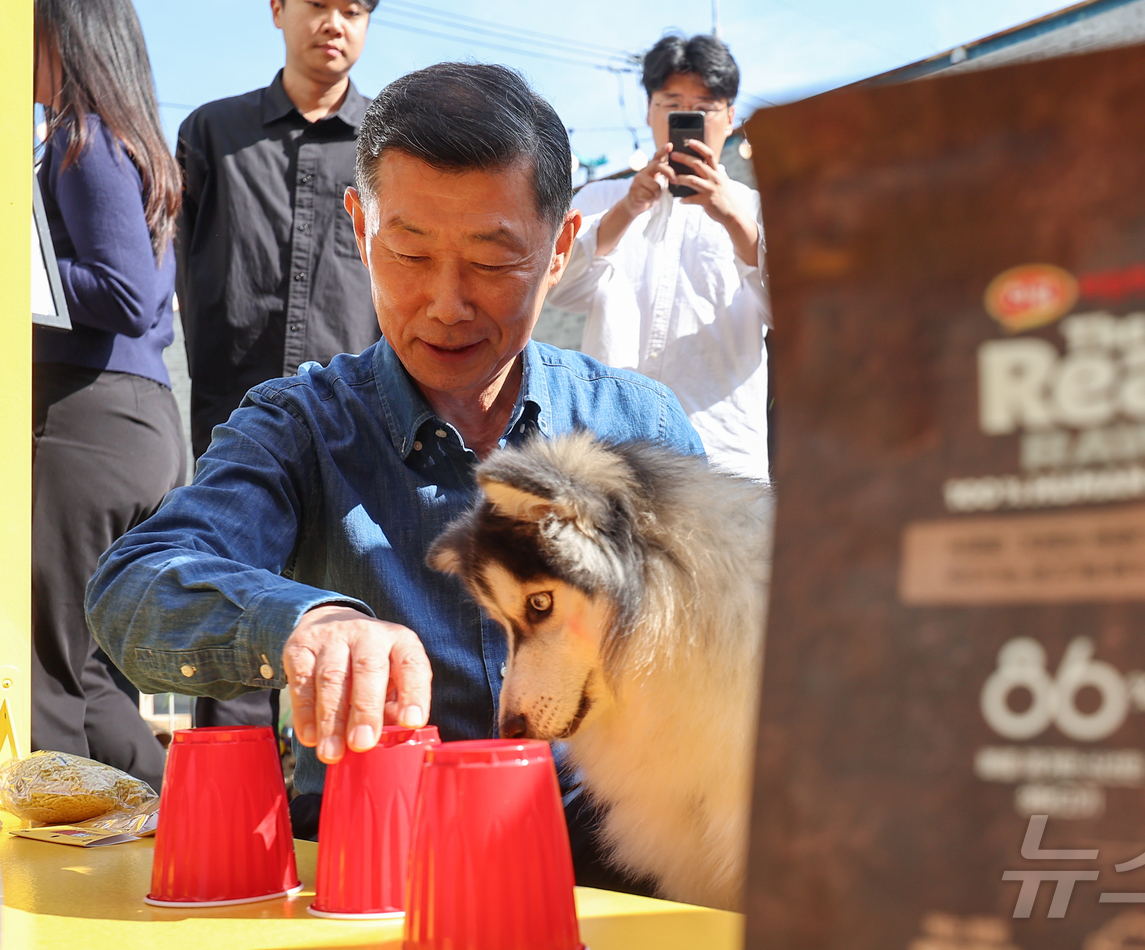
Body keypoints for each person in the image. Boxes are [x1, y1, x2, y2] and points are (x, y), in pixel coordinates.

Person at [88, 63, 704, 889]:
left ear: (559, 251)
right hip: (370, 870)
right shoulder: (301, 426)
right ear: (358, 228)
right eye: (409, 252)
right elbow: (135, 587)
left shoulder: (640, 429)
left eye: (493, 261)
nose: (445, 303)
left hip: (606, 867)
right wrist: (306, 624)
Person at [175, 0, 380, 731]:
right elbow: (178, 269)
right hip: (236, 418)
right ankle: (233, 829)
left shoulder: (390, 147)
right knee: (230, 608)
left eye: (354, 9)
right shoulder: (210, 133)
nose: (335, 22)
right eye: (318, 4)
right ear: (277, 11)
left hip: (358, 421)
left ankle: (342, 823)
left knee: (357, 618)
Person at [31, 0, 185, 789]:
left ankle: (29, 894)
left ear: (66, 34)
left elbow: (121, 291)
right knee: (95, 678)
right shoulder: (135, 144)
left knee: (44, 669)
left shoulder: (79, 139)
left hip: (86, 420)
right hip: (144, 425)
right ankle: (172, 828)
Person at [548, 34, 771, 482]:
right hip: (613, 448)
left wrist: (733, 220)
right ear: (650, 111)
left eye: (704, 106)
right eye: (671, 103)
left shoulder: (760, 207)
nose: (685, 116)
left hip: (722, 451)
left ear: (730, 117)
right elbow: (558, 288)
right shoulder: (603, 197)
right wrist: (627, 208)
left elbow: (796, 313)